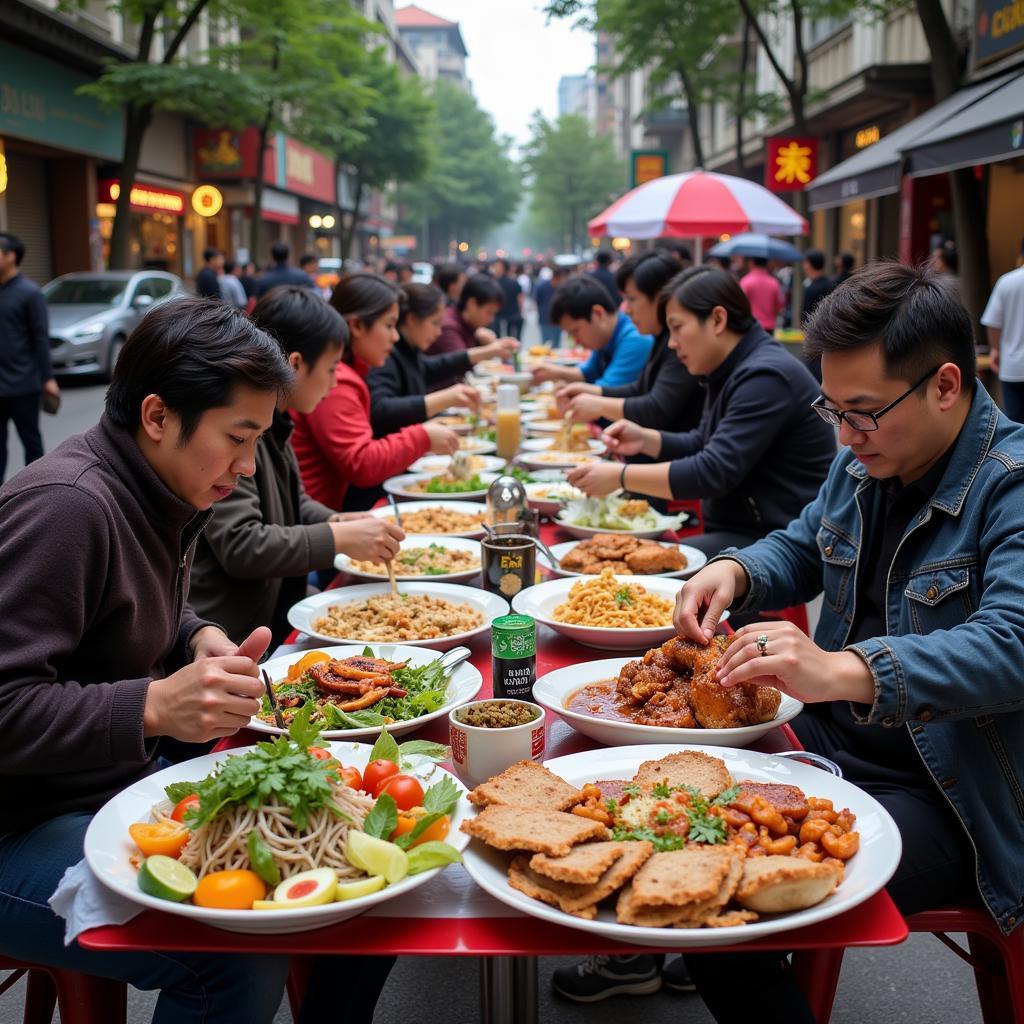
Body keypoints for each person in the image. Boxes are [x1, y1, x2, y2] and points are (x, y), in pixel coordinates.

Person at [670, 261, 1024, 1023]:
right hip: (833, 746)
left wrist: (843, 667)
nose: (844, 435)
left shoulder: (1012, 484)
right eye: (832, 409)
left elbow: (1013, 647)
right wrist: (732, 569)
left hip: (956, 795)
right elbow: (801, 543)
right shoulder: (866, 458)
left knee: (726, 908)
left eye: (862, 412)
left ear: (945, 385)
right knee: (674, 837)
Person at [0, 296, 297, 1022]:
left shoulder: (160, 485)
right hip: (19, 825)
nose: (248, 465)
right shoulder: (68, 507)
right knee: (226, 949)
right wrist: (156, 705)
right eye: (237, 436)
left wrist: (196, 635)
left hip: (110, 791)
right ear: (159, 417)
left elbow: (127, 610)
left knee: (295, 854)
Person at [566, 267, 835, 557]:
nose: (671, 342)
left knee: (636, 563)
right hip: (740, 527)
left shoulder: (766, 376)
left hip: (778, 540)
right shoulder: (730, 366)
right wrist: (645, 439)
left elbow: (712, 471)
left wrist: (620, 476)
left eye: (677, 327)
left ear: (718, 319)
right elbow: (702, 441)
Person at [190, 286, 406, 646]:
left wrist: (336, 521)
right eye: (332, 369)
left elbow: (295, 504)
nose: (335, 382)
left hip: (272, 609)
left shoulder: (279, 422)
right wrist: (337, 537)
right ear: (294, 364)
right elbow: (241, 543)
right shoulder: (241, 433)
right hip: (229, 632)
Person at [290, 274, 460, 511]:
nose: (395, 336)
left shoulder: (352, 370)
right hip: (319, 517)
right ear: (357, 325)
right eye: (389, 325)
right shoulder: (338, 380)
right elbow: (361, 463)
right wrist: (422, 437)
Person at [556, 251, 702, 432]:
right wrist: (589, 391)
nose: (626, 309)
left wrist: (599, 404)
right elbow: (640, 389)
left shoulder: (677, 343)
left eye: (631, 299)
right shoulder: (659, 337)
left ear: (661, 297)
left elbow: (657, 409)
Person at [367, 283, 518, 435]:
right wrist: (445, 398)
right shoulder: (384, 354)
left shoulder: (408, 350)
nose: (439, 331)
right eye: (389, 325)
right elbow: (380, 410)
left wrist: (486, 352)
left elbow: (432, 367)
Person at [0, 232, 58, 482]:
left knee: (31, 441)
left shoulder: (30, 293)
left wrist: (47, 378)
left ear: (10, 256)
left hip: (23, 383)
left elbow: (40, 338)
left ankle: (36, 490)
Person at [530, 276, 653, 389]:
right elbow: (587, 373)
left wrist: (569, 390)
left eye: (575, 331)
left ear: (598, 314)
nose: (576, 341)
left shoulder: (636, 339)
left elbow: (605, 392)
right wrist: (553, 372)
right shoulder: (606, 338)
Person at [425, 274, 507, 386]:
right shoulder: (449, 327)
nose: (491, 319)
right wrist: (493, 349)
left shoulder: (468, 324)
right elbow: (461, 362)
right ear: (472, 303)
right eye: (489, 312)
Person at [981, 260, 1024, 422]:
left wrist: (995, 350)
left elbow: (992, 322)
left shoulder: (1007, 282)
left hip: (1013, 367)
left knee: (1016, 425)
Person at [739, 257, 784, 332]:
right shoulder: (774, 283)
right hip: (769, 327)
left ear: (751, 263)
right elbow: (780, 308)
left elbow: (740, 304)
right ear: (767, 263)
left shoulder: (745, 282)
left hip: (750, 326)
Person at [800, 249, 836, 324]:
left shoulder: (811, 289)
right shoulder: (832, 285)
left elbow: (806, 316)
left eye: (805, 263)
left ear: (809, 264)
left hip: (814, 330)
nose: (803, 266)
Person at [533, 265, 565, 345]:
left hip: (558, 320)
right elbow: (536, 301)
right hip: (544, 319)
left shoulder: (563, 288)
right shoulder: (542, 286)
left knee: (557, 343)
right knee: (546, 343)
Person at [492, 257, 523, 339]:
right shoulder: (514, 282)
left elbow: (520, 299)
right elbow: (520, 299)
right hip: (511, 315)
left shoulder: (494, 284)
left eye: (496, 266)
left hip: (501, 317)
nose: (494, 269)